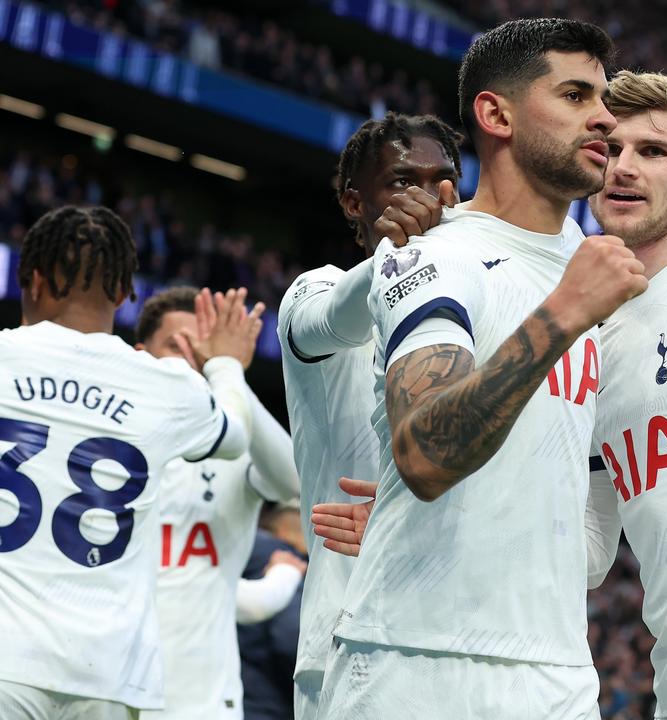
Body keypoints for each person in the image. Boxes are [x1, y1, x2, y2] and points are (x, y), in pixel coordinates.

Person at [315, 70, 667, 719]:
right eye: (612, 150)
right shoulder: (591, 328)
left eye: (655, 151)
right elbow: (586, 547)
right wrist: (431, 522)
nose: (624, 168)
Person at [321, 17, 642, 719]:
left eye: (605, 99)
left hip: (556, 672)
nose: (605, 120)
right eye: (576, 96)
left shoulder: (599, 273)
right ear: (496, 113)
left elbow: (586, 541)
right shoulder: (434, 254)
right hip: (414, 663)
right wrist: (561, 315)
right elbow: (424, 453)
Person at [0, 206, 257, 718]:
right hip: (109, 672)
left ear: (31, 280)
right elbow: (234, 436)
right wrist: (228, 361)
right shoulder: (168, 386)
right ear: (125, 294)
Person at [276, 111, 463, 719]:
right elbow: (336, 317)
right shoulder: (316, 290)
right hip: (347, 637)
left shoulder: (473, 306)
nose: (429, 198)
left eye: (443, 180)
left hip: (463, 637)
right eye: (404, 181)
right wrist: (395, 254)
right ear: (354, 202)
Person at [133, 286, 301, 719]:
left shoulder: (237, 451)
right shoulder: (110, 444)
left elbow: (290, 479)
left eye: (204, 347)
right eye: (178, 344)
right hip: (109, 691)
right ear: (140, 354)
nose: (194, 357)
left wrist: (229, 373)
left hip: (201, 703)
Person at [237, 503, 308, 720]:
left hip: (226, 699)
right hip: (268, 706)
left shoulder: (231, 553)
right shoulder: (288, 561)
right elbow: (291, 637)